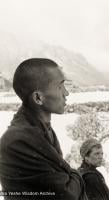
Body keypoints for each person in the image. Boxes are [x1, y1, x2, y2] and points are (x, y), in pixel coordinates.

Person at [0, 58, 87, 200]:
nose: (66, 93)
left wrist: (70, 175)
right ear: (38, 97)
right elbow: (67, 195)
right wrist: (76, 175)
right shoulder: (17, 141)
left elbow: (65, 181)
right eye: (60, 86)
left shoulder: (41, 129)